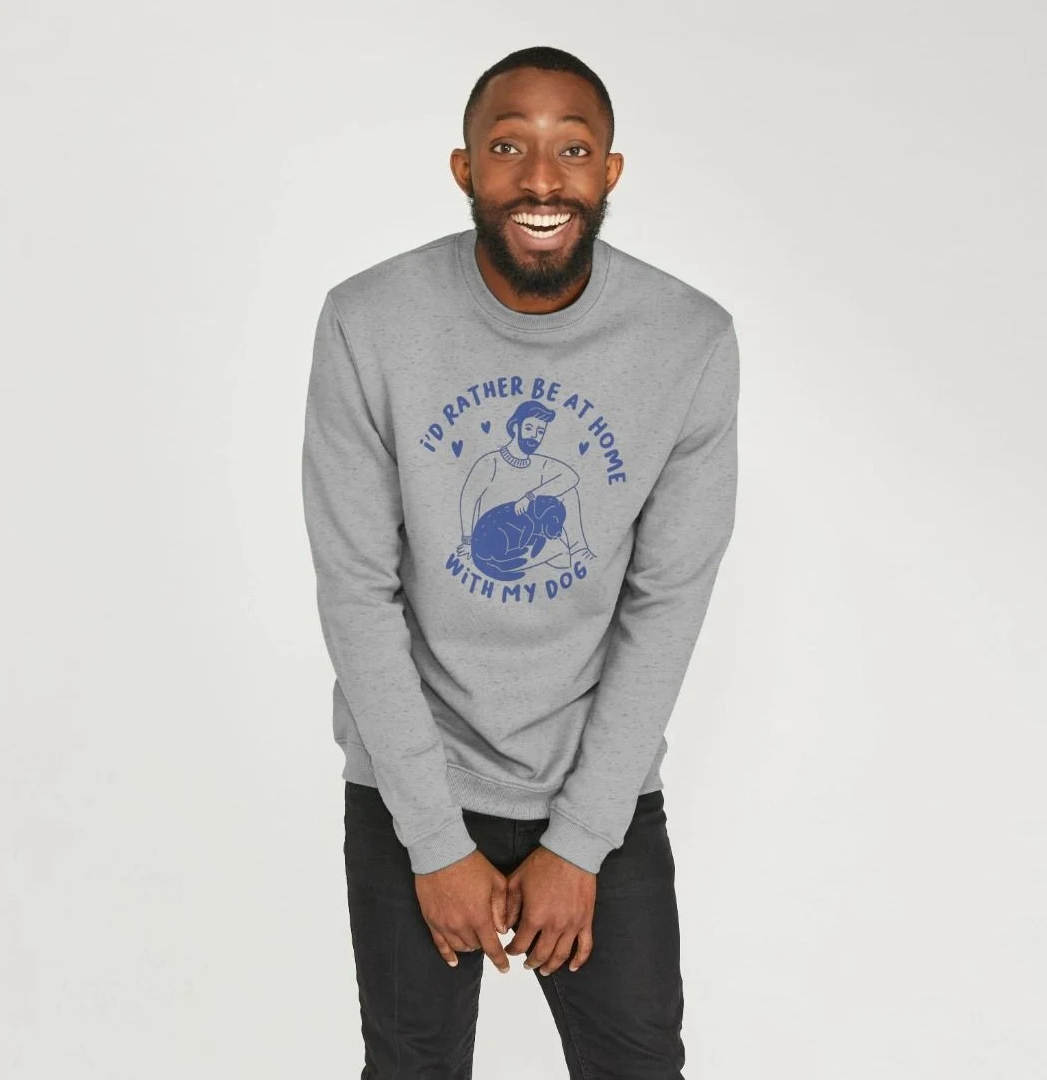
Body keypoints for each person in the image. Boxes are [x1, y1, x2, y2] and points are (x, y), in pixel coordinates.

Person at [301, 44, 740, 1080]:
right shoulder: (369, 322)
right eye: (508, 148)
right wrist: (434, 839)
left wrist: (580, 841)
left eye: (572, 150)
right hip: (412, 779)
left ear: (609, 170)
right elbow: (358, 589)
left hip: (599, 788)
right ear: (465, 167)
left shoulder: (689, 341)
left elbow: (665, 604)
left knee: (639, 1066)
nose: (542, 179)